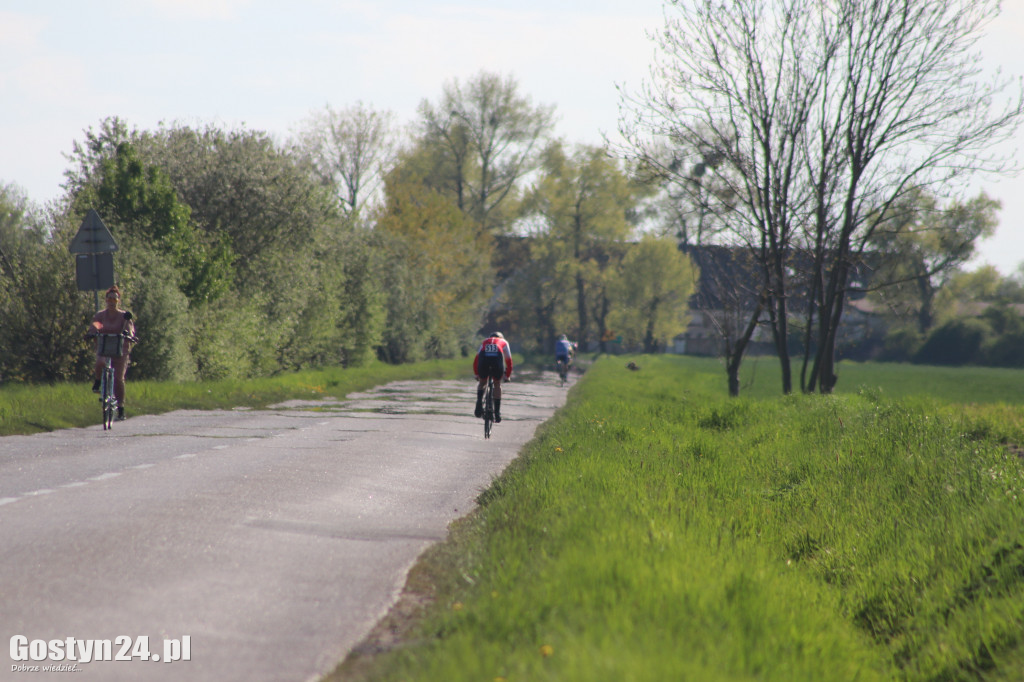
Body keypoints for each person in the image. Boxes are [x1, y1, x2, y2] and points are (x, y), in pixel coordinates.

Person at [84, 285, 136, 422]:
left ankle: (120, 408)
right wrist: (91, 333)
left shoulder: (124, 316)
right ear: (106, 300)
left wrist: (129, 335)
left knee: (118, 378)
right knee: (100, 362)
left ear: (118, 301)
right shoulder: (100, 315)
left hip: (120, 349)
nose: (112, 301)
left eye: (115, 299)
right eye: (110, 298)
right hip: (104, 347)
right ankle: (98, 382)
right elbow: (95, 327)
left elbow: (130, 329)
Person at [473, 331, 513, 422]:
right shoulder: (504, 342)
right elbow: (509, 361)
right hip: (496, 360)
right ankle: (497, 413)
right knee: (497, 384)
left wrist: (476, 374)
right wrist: (507, 376)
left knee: (482, 382)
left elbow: (476, 359)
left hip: (484, 360)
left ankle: (479, 404)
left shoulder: (485, 341)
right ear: (501, 337)